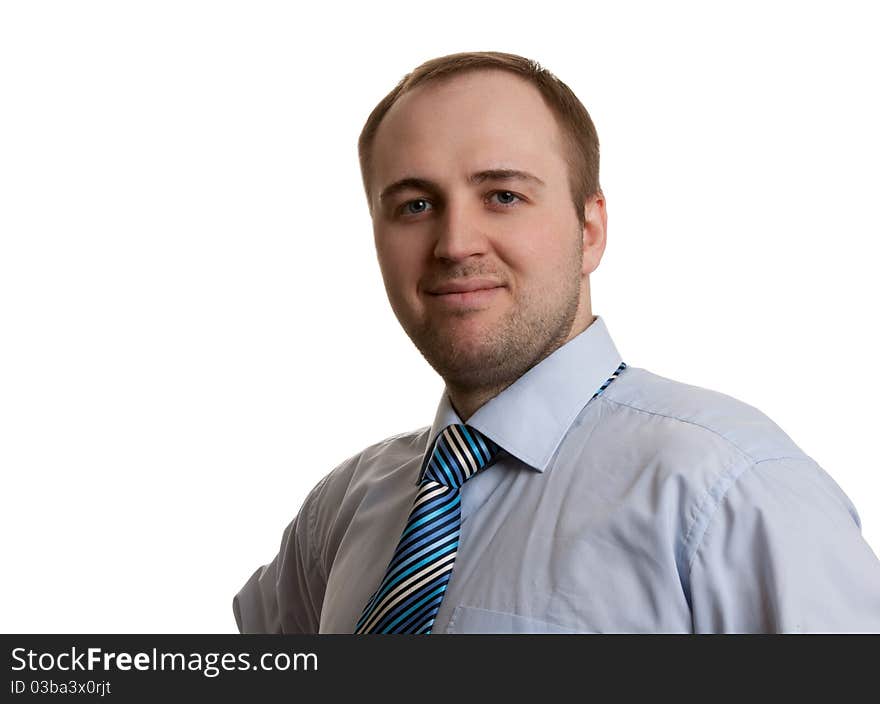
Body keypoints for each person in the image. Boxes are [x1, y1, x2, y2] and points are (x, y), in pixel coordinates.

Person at [233, 51, 880, 634]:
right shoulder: (340, 514)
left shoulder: (729, 489)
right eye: (414, 205)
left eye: (504, 195)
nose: (456, 243)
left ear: (590, 230)